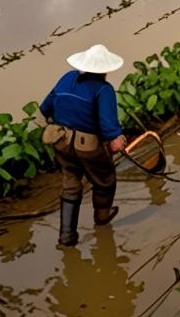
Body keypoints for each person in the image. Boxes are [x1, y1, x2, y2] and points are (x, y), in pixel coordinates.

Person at [39, 43, 129, 247]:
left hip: (61, 141)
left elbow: (45, 108)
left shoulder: (66, 78)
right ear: (104, 70)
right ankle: (102, 216)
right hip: (86, 145)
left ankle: (67, 235)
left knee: (70, 181)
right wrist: (117, 138)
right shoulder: (104, 90)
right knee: (105, 178)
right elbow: (108, 126)